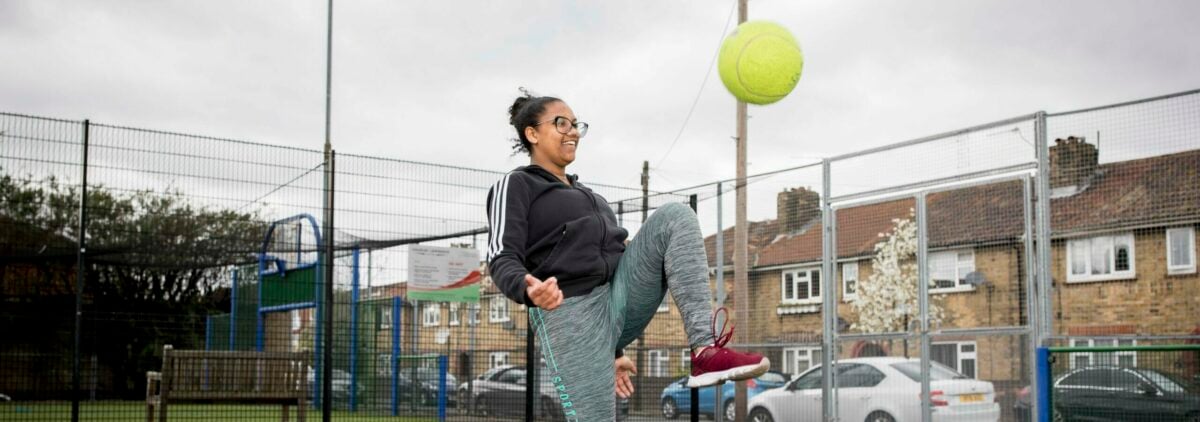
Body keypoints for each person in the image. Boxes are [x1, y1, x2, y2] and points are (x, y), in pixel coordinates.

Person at [486, 90, 769, 421]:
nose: (573, 131)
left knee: (675, 217)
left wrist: (616, 351)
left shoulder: (594, 199)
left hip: (618, 300)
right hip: (570, 314)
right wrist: (527, 287)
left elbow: (612, 264)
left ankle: (705, 350)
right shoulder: (517, 184)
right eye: (561, 123)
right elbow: (501, 256)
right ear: (532, 133)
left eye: (577, 125)